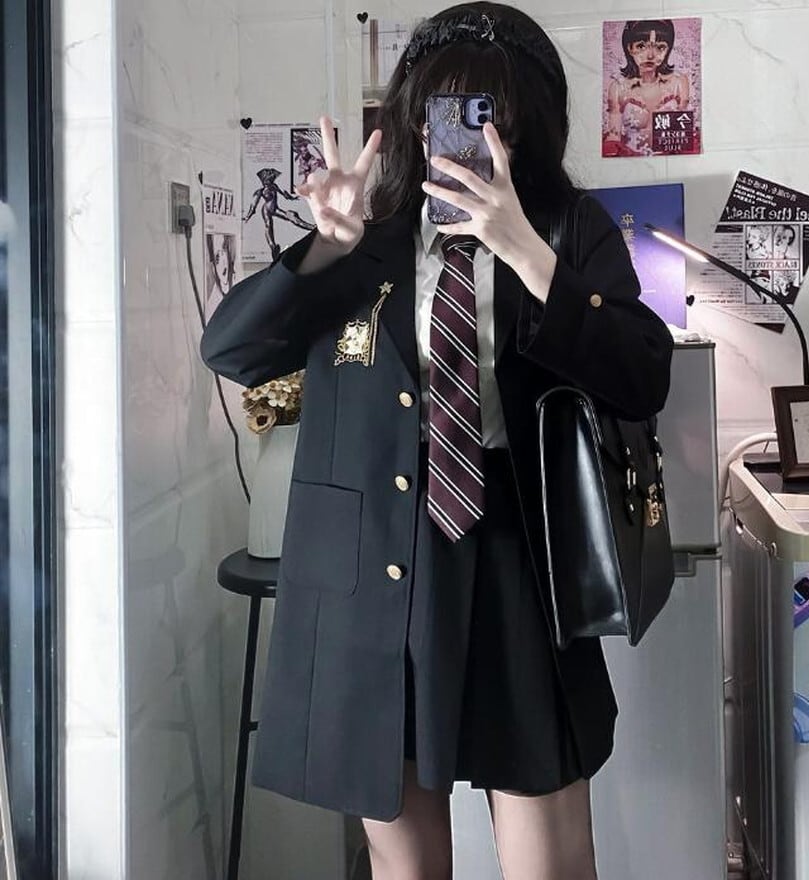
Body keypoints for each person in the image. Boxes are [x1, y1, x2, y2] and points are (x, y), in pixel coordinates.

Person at [200, 4, 673, 878]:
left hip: (517, 565)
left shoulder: (568, 231)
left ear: (524, 124)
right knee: (406, 866)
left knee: (551, 863)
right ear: (414, 118)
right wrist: (322, 249)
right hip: (376, 571)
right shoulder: (364, 238)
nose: (458, 134)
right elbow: (231, 350)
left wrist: (528, 255)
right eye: (441, 110)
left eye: (488, 113)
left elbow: (644, 376)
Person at [602, 19, 691, 157]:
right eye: (641, 46)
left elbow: (683, 135)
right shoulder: (619, 88)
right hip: (631, 161)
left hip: (671, 160)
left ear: (668, 50)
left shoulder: (678, 83)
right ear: (629, 48)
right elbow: (614, 137)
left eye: (660, 47)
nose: (650, 55)